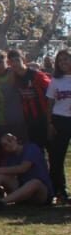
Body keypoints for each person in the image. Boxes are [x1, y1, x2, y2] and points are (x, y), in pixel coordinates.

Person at [0, 132, 53, 211]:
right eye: (4, 145)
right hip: (23, 190)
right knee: (0, 176)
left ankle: (0, 203)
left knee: (35, 182)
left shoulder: (31, 148)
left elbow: (23, 168)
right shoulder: (9, 158)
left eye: (10, 140)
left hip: (42, 194)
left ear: (15, 139)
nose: (8, 145)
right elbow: (5, 174)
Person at [45, 49, 71, 203]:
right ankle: (60, 192)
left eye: (66, 59)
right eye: (60, 61)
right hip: (59, 120)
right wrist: (49, 123)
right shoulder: (55, 80)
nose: (64, 63)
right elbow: (49, 104)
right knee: (57, 158)